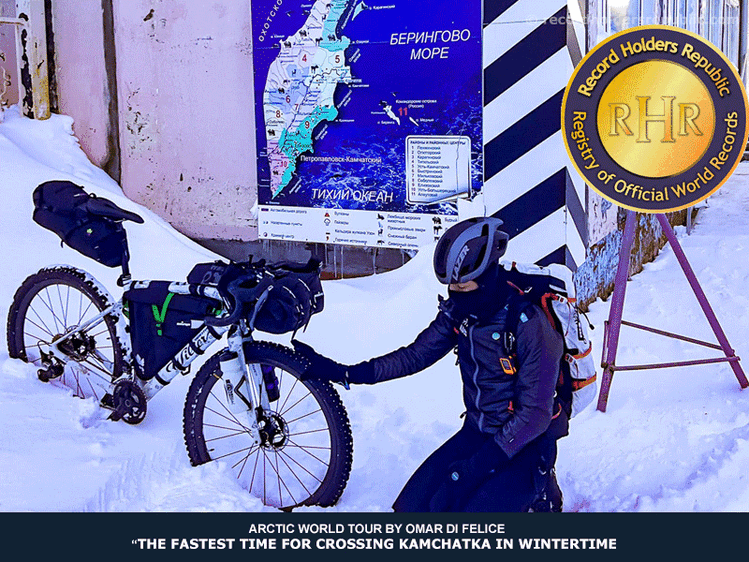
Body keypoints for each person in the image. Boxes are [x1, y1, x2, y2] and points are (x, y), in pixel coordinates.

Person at [292, 216, 567, 512]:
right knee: (411, 510)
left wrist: (475, 467)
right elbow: (415, 356)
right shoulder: (461, 312)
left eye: (464, 287)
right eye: (452, 288)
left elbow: (535, 416)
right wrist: (346, 372)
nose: (457, 295)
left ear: (486, 277)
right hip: (477, 433)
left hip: (524, 445)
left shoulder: (529, 324)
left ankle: (542, 493)